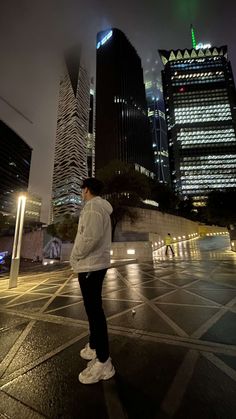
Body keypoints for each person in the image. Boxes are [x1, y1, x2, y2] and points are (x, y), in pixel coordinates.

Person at [70, 178, 115, 384]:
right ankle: (95, 346)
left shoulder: (92, 208)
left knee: (95, 311)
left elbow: (89, 238)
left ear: (86, 190)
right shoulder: (99, 208)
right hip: (94, 265)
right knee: (93, 310)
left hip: (90, 265)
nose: (81, 193)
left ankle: (104, 362)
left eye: (82, 190)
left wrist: (75, 256)